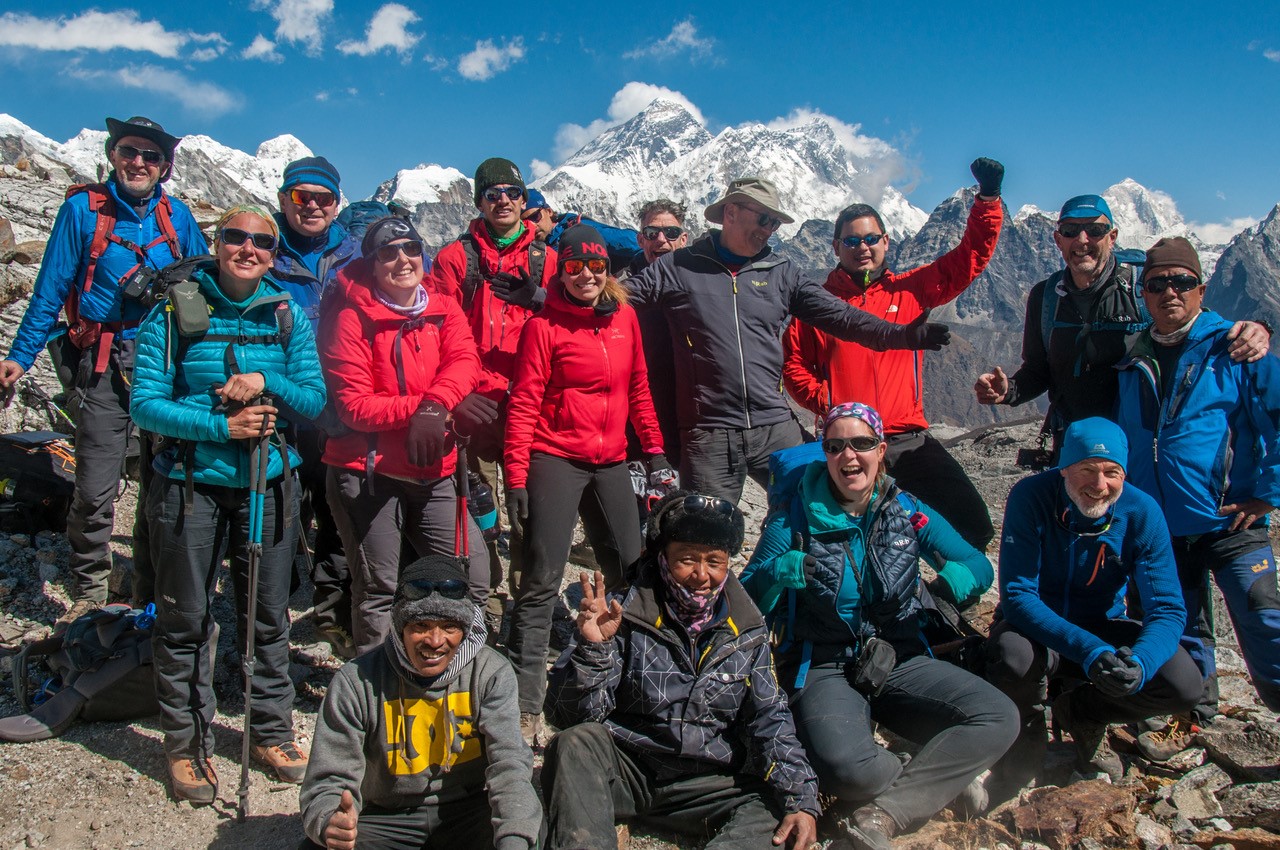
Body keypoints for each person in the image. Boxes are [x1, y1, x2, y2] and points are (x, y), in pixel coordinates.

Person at [741, 402, 1017, 850]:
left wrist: (943, 589)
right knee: (845, 769)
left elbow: (975, 563)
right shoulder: (793, 517)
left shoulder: (904, 508)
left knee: (999, 716)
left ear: (881, 449)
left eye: (862, 444)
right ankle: (925, 775)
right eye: (836, 446)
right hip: (825, 663)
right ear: (825, 454)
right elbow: (747, 596)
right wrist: (780, 571)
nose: (849, 456)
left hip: (899, 656)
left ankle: (884, 812)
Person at [130, 205, 326, 803]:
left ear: (273, 252)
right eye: (236, 238)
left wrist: (269, 385)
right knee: (186, 617)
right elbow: (145, 403)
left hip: (268, 485)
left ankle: (269, 729)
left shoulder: (287, 315)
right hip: (190, 487)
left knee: (267, 615)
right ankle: (186, 743)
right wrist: (225, 428)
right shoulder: (173, 312)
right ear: (217, 244)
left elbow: (315, 403)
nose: (248, 249)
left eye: (260, 242)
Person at [626, 176, 951, 505]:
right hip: (709, 434)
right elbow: (615, 301)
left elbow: (843, 318)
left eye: (775, 224)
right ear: (731, 213)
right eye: (764, 219)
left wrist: (903, 335)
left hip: (775, 427)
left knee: (823, 510)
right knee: (706, 538)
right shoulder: (678, 267)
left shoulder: (781, 271)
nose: (769, 230)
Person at [0, 115, 208, 621]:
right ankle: (90, 593)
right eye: (130, 152)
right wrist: (18, 358)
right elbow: (49, 290)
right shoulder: (81, 210)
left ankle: (147, 588)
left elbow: (209, 282)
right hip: (102, 362)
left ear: (165, 166)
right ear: (113, 155)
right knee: (96, 486)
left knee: (161, 482)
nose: (139, 163)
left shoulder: (177, 217)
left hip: (164, 363)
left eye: (151, 156)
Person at [542, 492, 820, 850]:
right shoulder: (622, 612)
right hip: (629, 768)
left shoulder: (748, 629)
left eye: (715, 562)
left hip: (705, 782)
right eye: (686, 559)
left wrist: (800, 798)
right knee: (573, 745)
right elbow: (573, 717)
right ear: (662, 558)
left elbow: (769, 716)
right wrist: (594, 648)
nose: (701, 575)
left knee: (775, 809)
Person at [502, 224, 672, 745]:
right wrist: (515, 475)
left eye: (595, 267)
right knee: (541, 579)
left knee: (630, 568)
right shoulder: (543, 326)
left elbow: (639, 387)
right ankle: (525, 705)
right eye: (574, 267)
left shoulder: (624, 318)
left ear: (607, 270)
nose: (586, 276)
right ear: (562, 270)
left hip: (613, 459)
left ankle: (628, 682)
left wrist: (657, 448)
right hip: (555, 457)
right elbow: (524, 403)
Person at [783, 159, 1004, 551]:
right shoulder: (817, 306)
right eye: (851, 241)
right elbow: (794, 365)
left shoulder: (910, 291)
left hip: (908, 440)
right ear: (836, 247)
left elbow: (968, 259)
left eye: (870, 239)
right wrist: (829, 403)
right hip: (849, 444)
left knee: (973, 527)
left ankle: (937, 604)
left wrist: (987, 199)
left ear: (886, 242)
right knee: (853, 544)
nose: (862, 248)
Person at [984, 417, 1201, 795]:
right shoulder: (1032, 496)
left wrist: (1142, 662)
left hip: (1103, 625)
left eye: (1111, 472)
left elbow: (1167, 608)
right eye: (1086, 469)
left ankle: (1083, 712)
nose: (1099, 486)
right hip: (1038, 628)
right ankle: (1025, 738)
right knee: (1011, 657)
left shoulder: (1140, 512)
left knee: (1182, 685)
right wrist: (1090, 651)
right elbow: (1018, 595)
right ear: (1064, 467)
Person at [1115, 237, 1280, 724]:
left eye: (1182, 282)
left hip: (1230, 520)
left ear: (1200, 289)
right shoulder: (1131, 357)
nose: (1170, 292)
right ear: (1143, 293)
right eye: (1158, 283)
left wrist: (1267, 495)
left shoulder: (1238, 348)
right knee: (1181, 627)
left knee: (1264, 618)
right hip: (1163, 526)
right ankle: (1197, 720)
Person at [974, 194, 1269, 458]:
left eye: (1096, 230)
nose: (1082, 239)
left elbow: (1190, 324)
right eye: (1071, 231)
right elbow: (1038, 371)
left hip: (1137, 442)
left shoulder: (1144, 287)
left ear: (1112, 237)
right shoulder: (1045, 297)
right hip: (1074, 442)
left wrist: (1256, 328)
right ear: (1058, 239)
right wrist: (1009, 390)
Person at [319, 217, 488, 658]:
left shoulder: (443, 306)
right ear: (371, 264)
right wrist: (425, 410)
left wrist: (436, 407)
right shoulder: (350, 317)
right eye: (387, 253)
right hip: (367, 473)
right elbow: (353, 405)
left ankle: (452, 673)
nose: (402, 260)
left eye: (410, 249)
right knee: (379, 587)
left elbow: (465, 360)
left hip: (436, 471)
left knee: (471, 576)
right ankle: (374, 694)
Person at [299, 554, 543, 850]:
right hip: (385, 818)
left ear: (465, 631)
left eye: (449, 626)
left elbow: (509, 766)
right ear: (400, 629)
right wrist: (329, 821)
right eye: (421, 625)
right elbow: (329, 779)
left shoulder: (490, 673)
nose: (435, 640)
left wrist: (514, 838)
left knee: (523, 829)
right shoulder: (356, 681)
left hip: (465, 812)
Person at [427, 158, 558, 624]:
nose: (502, 200)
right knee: (477, 505)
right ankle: (485, 591)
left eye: (512, 192)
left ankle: (526, 601)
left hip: (531, 403)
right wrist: (454, 394)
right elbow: (432, 331)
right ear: (478, 201)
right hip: (473, 403)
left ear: (525, 201)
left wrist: (540, 298)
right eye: (491, 193)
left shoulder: (548, 260)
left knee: (530, 508)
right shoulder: (453, 259)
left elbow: (571, 322)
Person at [271, 155, 362, 659]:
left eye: (323, 198)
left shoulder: (356, 255)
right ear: (284, 199)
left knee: (336, 509)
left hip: (341, 406)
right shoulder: (261, 247)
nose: (312, 206)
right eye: (301, 196)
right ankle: (270, 619)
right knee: (281, 512)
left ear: (336, 204)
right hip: (283, 406)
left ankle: (333, 617)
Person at [623, 199, 689, 468]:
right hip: (637, 419)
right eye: (652, 234)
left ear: (683, 239)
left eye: (671, 233)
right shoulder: (623, 287)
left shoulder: (701, 282)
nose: (661, 240)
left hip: (692, 418)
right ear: (641, 239)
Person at [522, 188, 641, 273]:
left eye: (535, 217)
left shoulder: (578, 229)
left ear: (548, 211)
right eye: (524, 223)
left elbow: (634, 242)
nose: (532, 225)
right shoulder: (529, 249)